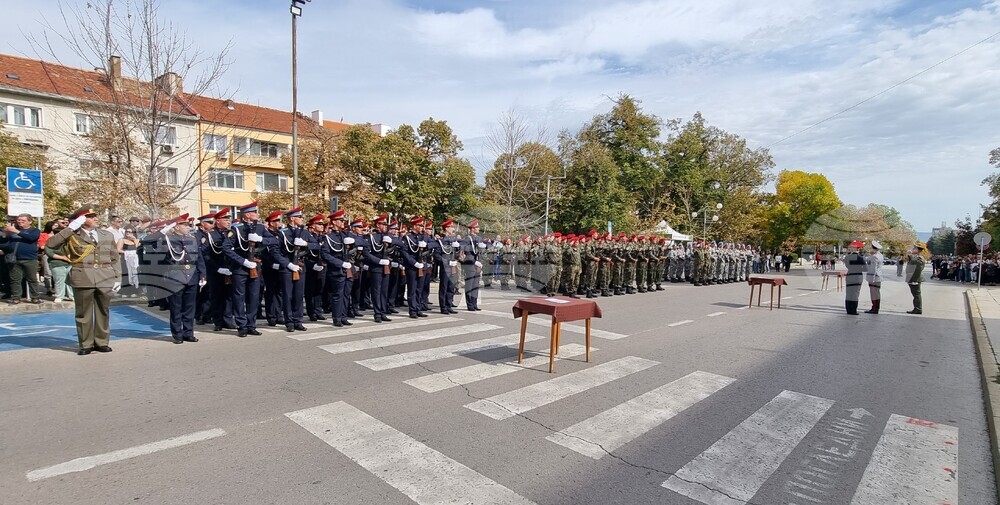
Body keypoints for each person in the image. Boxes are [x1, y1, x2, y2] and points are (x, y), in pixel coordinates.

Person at [47, 206, 122, 355]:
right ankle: (86, 344)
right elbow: (51, 244)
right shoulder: (72, 235)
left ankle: (101, 342)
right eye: (90, 216)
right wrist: (70, 228)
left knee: (103, 311)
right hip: (82, 275)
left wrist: (118, 277)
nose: (95, 218)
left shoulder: (106, 234)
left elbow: (115, 258)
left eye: (95, 216)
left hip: (105, 276)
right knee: (83, 312)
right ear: (81, 219)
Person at [147, 214, 206, 343]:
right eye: (184, 225)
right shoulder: (166, 240)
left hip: (191, 276)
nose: (188, 227)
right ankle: (177, 334)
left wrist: (202, 274)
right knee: (176, 308)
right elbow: (148, 241)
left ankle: (188, 332)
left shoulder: (192, 238)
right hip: (175, 277)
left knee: (190, 307)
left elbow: (199, 257)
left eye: (188, 225)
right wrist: (161, 233)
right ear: (176, 227)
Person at [3, 213, 43, 304]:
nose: (20, 222)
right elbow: (5, 242)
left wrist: (16, 231)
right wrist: (5, 234)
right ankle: (16, 298)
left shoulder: (34, 231)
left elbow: (31, 238)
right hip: (14, 259)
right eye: (19, 220)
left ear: (30, 221)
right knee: (15, 280)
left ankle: (35, 297)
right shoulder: (12, 230)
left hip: (30, 259)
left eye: (23, 220)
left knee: (32, 279)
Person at [45, 218, 74, 303]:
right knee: (59, 280)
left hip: (69, 264)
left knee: (70, 281)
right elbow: (49, 253)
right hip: (56, 264)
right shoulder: (50, 242)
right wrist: (63, 258)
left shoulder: (69, 242)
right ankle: (59, 296)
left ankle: (72, 296)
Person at [844, 240, 867, 315]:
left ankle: (848, 310)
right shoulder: (861, 258)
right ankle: (853, 310)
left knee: (848, 293)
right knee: (855, 293)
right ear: (858, 249)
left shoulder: (847, 257)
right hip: (857, 277)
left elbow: (847, 266)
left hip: (849, 275)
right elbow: (865, 269)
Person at [906, 244, 926, 314]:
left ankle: (918, 309)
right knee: (915, 294)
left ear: (918, 250)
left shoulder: (919, 258)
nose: (912, 249)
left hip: (915, 278)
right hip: (912, 278)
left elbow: (918, 269)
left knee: (917, 294)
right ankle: (916, 308)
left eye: (914, 248)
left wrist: (914, 279)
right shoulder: (915, 257)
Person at [865, 240, 884, 314]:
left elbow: (873, 269)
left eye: (871, 248)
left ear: (874, 249)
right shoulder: (880, 255)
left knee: (874, 294)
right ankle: (875, 308)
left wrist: (872, 279)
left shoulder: (874, 257)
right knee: (876, 293)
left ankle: (874, 308)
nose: (870, 249)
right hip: (878, 277)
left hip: (874, 278)